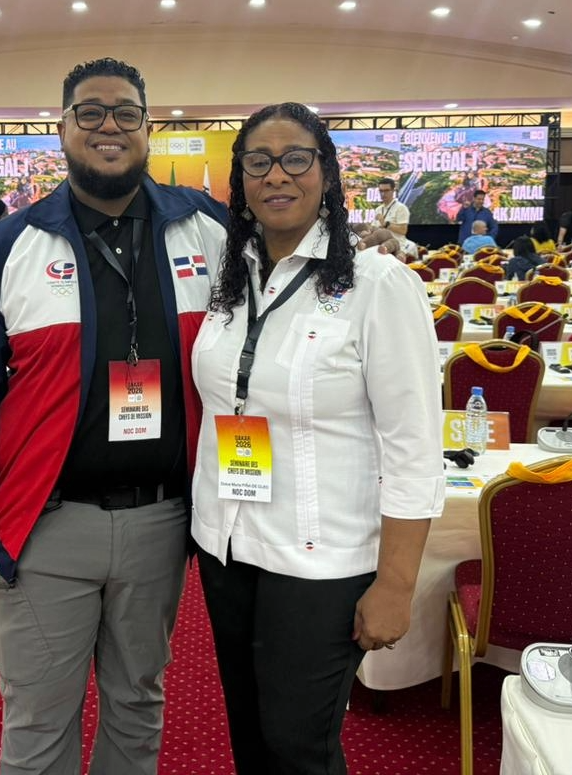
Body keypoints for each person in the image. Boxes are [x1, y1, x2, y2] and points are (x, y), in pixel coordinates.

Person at [0, 57, 227, 775]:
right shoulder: (11, 245)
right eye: (89, 112)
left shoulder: (209, 229)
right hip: (47, 523)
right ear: (61, 129)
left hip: (163, 522)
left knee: (137, 707)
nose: (108, 126)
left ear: (149, 128)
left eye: (126, 112)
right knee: (38, 722)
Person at [190, 102, 444, 775]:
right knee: (250, 735)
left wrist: (396, 582)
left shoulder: (376, 283)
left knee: (297, 743)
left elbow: (415, 447)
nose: (277, 175)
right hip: (227, 545)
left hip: (322, 559)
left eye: (296, 158)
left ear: (327, 174)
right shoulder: (230, 277)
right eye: (258, 162)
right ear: (240, 181)